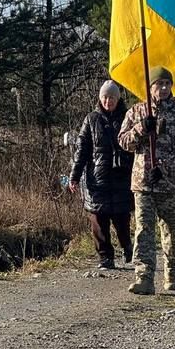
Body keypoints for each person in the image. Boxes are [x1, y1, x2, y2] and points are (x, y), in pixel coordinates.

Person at [118, 66, 175, 295]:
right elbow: (123, 142)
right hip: (143, 183)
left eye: (166, 84)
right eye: (158, 84)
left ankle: (171, 272)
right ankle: (144, 276)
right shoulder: (137, 111)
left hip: (171, 184)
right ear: (150, 87)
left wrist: (165, 167)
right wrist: (142, 128)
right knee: (143, 230)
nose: (163, 88)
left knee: (172, 230)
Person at [69, 80, 133, 270]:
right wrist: (74, 175)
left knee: (122, 219)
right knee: (98, 220)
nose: (108, 101)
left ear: (117, 99)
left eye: (112, 97)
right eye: (105, 97)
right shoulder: (91, 119)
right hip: (97, 179)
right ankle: (105, 257)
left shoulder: (127, 117)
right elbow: (82, 150)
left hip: (122, 177)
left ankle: (127, 247)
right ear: (100, 98)